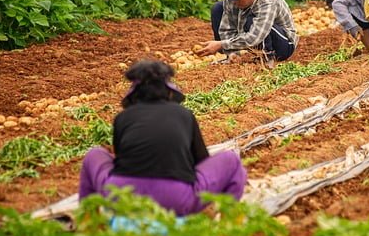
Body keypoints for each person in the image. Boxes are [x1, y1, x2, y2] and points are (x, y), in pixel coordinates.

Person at [78, 60, 247, 216]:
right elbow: (201, 160)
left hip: (123, 197)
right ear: (169, 92)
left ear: (134, 95)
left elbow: (120, 161)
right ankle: (227, 225)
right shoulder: (184, 115)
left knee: (94, 155)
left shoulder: (123, 118)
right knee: (231, 160)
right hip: (176, 200)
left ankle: (89, 224)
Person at [197, 0, 299, 64]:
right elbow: (227, 29)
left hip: (284, 44)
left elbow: (255, 36)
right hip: (254, 39)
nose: (234, 1)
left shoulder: (267, 1)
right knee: (218, 8)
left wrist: (221, 44)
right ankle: (232, 57)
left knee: (251, 19)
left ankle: (267, 58)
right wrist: (232, 53)